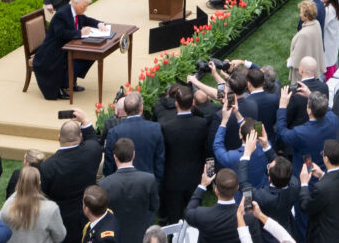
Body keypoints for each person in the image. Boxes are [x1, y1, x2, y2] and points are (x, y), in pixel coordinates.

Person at [40, 109, 103, 242]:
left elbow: (41, 197)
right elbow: (93, 139)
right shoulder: (92, 152)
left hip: (61, 222)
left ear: (58, 138)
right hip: (86, 217)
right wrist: (85, 119)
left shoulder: (47, 167)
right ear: (80, 137)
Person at [32, 0, 105, 100]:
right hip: (53, 50)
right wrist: (80, 33)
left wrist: (99, 24)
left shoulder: (77, 12)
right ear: (75, 3)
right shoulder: (62, 14)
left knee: (90, 55)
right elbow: (60, 33)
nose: (86, 9)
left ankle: (70, 81)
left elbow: (87, 20)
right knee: (76, 57)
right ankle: (61, 87)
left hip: (67, 46)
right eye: (84, 6)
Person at [159, 85, 208, 224]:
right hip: (194, 177)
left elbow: (164, 153)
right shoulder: (202, 124)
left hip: (173, 178)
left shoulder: (167, 127)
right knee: (194, 218)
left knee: (174, 219)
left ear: (176, 104)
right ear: (193, 103)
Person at [238, 130, 298, 241]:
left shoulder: (261, 196)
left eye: (269, 166)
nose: (270, 163)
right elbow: (281, 166)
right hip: (285, 230)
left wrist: (246, 154)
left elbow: (243, 185)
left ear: (269, 178)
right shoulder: (295, 185)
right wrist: (266, 145)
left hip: (265, 236)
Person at [98, 138, 159, 243]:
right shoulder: (148, 180)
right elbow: (154, 206)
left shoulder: (104, 184)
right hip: (141, 236)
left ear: (115, 157)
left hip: (115, 237)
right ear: (134, 155)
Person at [299, 139, 339, 243]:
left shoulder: (321, 187)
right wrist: (322, 175)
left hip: (326, 237)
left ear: (326, 159)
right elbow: (335, 185)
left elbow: (305, 206)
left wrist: (304, 184)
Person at [185, 168, 262, 242]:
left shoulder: (202, 215)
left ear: (216, 190)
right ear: (237, 187)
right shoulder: (249, 217)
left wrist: (203, 185)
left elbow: (188, 212)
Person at [103, 92, 164, 180]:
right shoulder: (155, 128)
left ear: (125, 109)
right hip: (148, 184)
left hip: (121, 185)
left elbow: (109, 165)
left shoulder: (114, 132)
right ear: (141, 108)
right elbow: (159, 161)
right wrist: (156, 184)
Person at [0, 167, 67, 243]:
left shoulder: (8, 207)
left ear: (19, 183)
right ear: (39, 183)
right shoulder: (51, 209)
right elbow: (60, 236)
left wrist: (20, 191)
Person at [276, 90, 339, 168]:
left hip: (306, 173)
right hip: (326, 168)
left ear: (309, 111)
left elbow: (281, 132)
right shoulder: (334, 120)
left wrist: (282, 107)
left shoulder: (300, 133)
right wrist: (311, 95)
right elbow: (328, 110)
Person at [287, 1, 326, 75]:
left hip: (303, 75)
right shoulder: (316, 24)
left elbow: (296, 60)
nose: (300, 15)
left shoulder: (304, 34)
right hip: (312, 68)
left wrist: (290, 60)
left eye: (301, 12)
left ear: (306, 16)